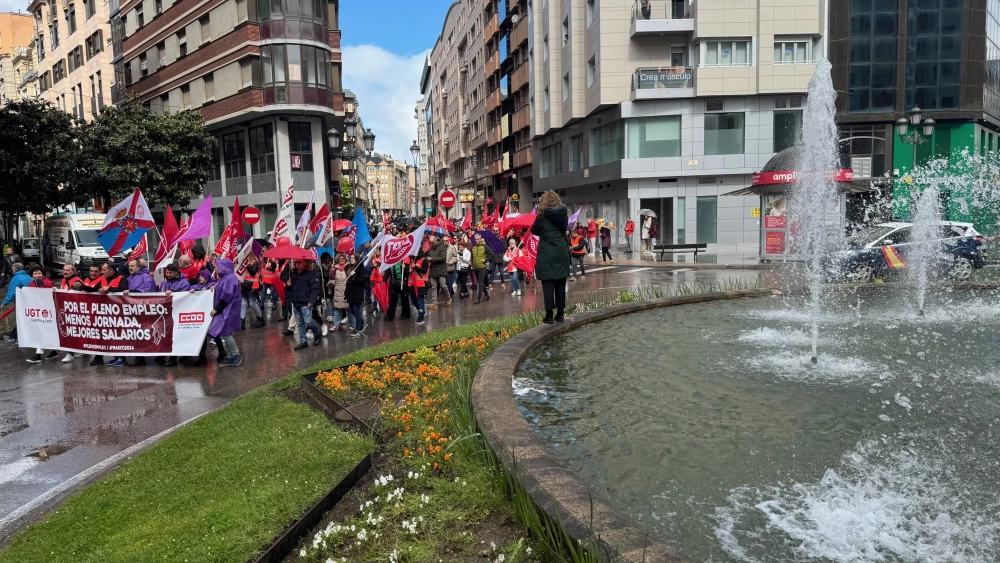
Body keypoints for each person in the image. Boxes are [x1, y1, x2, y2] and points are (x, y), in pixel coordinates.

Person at [530, 191, 570, 324]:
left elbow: (533, 230)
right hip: (561, 251)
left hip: (547, 253)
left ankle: (549, 316)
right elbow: (564, 228)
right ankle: (560, 314)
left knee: (548, 284)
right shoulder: (563, 214)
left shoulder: (542, 215)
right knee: (560, 283)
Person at [122, 259, 157, 367]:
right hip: (133, 309)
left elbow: (147, 289)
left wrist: (132, 293)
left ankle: (146, 356)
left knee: (144, 332)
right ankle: (139, 357)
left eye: (132, 266)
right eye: (129, 266)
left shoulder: (146, 277)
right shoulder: (130, 278)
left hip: (143, 309)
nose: (130, 268)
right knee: (136, 333)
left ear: (138, 267)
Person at [209, 259, 244, 366]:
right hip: (225, 309)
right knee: (225, 332)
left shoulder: (230, 278)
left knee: (226, 333)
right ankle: (230, 356)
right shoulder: (224, 278)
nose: (215, 269)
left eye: (216, 267)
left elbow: (227, 296)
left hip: (228, 309)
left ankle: (235, 355)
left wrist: (216, 309)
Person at [282, 259, 322, 350]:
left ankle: (317, 332)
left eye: (299, 262)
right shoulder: (293, 273)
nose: (297, 264)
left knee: (308, 321)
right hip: (296, 301)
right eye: (296, 262)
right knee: (300, 322)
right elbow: (282, 277)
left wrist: (312, 301)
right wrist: (288, 269)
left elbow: (315, 288)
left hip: (305, 301)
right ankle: (303, 341)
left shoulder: (311, 274)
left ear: (305, 263)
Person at [327, 253, 351, 332]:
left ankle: (353, 325)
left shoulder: (348, 267)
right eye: (340, 259)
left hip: (346, 291)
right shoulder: (335, 268)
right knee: (337, 309)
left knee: (349, 309)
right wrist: (332, 269)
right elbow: (331, 277)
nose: (341, 260)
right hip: (337, 291)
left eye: (343, 259)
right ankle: (336, 325)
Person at [344, 259, 369, 336]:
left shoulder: (360, 269)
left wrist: (354, 275)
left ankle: (358, 329)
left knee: (356, 310)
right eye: (350, 258)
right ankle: (362, 323)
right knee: (351, 310)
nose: (351, 259)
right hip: (350, 293)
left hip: (357, 292)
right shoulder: (349, 268)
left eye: (353, 258)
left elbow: (362, 281)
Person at [404, 250, 430, 325]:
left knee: (420, 300)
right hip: (412, 284)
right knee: (413, 300)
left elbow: (424, 271)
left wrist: (415, 267)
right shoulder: (412, 261)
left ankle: (421, 317)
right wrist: (407, 269)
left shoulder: (424, 260)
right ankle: (421, 311)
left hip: (420, 284)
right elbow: (410, 272)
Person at [240, 256, 264, 330]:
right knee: (243, 304)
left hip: (252, 287)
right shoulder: (242, 262)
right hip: (243, 287)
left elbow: (253, 272)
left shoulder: (254, 262)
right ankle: (241, 323)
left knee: (252, 304)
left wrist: (247, 265)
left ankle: (261, 319)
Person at [426, 236, 450, 308]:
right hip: (433, 270)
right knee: (433, 287)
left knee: (443, 286)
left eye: (432, 242)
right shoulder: (430, 249)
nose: (431, 244)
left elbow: (443, 258)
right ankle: (434, 302)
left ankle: (448, 298)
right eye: (430, 243)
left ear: (436, 240)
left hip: (441, 269)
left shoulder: (442, 247)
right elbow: (428, 255)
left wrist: (432, 259)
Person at [470, 233, 494, 304]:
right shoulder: (473, 247)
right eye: (475, 239)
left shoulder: (485, 247)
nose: (476, 240)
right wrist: (471, 263)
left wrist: (486, 260)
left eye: (477, 239)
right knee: (481, 283)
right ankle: (487, 295)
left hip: (482, 267)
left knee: (480, 283)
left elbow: (492, 255)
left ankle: (478, 298)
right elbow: (472, 257)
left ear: (480, 239)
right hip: (475, 267)